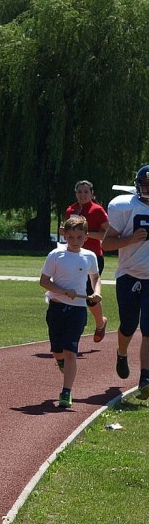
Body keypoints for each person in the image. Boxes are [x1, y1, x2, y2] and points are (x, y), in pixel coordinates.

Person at [40, 216, 102, 408]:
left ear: (86, 237)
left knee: (70, 351)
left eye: (79, 237)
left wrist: (97, 292)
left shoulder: (90, 256)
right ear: (64, 235)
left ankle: (66, 392)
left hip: (78, 310)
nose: (75, 241)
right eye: (71, 237)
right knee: (57, 350)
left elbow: (95, 278)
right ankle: (60, 361)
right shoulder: (55, 255)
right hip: (57, 307)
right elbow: (44, 281)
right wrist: (62, 291)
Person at [103, 165, 149, 398]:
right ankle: (121, 353)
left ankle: (145, 377)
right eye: (145, 185)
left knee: (148, 328)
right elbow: (106, 244)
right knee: (129, 324)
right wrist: (130, 239)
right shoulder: (125, 207)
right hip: (129, 274)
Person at [64, 180, 109, 341]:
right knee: (72, 290)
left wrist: (89, 235)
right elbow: (67, 231)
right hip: (73, 255)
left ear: (92, 194)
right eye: (79, 192)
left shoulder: (97, 210)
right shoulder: (71, 209)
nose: (82, 195)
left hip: (93, 256)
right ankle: (73, 327)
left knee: (90, 294)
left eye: (86, 192)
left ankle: (100, 324)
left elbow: (109, 233)